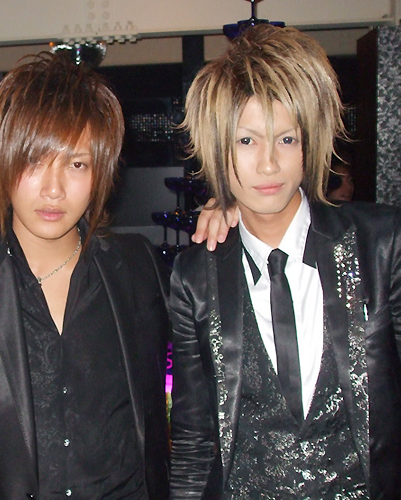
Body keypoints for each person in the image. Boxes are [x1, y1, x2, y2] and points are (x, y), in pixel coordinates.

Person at [0, 53, 171, 499]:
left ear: (101, 172)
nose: (54, 189)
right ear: (3, 162)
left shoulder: (137, 267)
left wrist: (230, 215)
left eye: (76, 164)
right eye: (34, 162)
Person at [170, 24, 401, 499]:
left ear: (311, 141)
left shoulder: (380, 244)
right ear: (217, 148)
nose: (269, 164)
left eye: (287, 139)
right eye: (246, 141)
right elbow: (195, 442)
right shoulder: (197, 277)